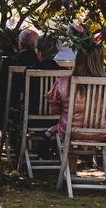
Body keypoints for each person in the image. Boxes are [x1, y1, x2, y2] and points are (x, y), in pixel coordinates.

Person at [45, 25, 106, 173]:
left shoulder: (64, 82)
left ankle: (70, 173)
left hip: (72, 132)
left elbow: (55, 109)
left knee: (65, 124)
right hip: (103, 132)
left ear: (78, 58)